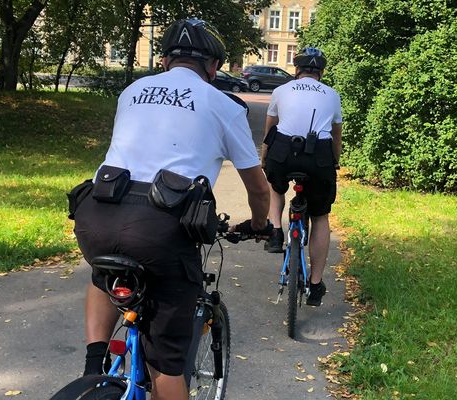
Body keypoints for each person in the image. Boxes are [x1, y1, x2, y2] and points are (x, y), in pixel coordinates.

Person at [70, 18, 271, 400]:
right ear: (213, 67)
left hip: (97, 212)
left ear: (164, 60)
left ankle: (93, 365)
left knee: (104, 272)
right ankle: (152, 373)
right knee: (166, 365)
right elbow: (258, 188)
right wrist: (260, 224)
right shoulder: (223, 105)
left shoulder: (131, 91)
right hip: (161, 226)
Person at [260, 47, 343, 307]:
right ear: (321, 72)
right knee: (319, 215)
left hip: (283, 152)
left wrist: (265, 157)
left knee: (276, 186)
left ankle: (275, 231)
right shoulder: (332, 94)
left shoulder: (281, 90)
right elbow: (336, 134)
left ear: (297, 70)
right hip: (318, 155)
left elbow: (270, 128)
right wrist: (335, 160)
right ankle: (316, 284)